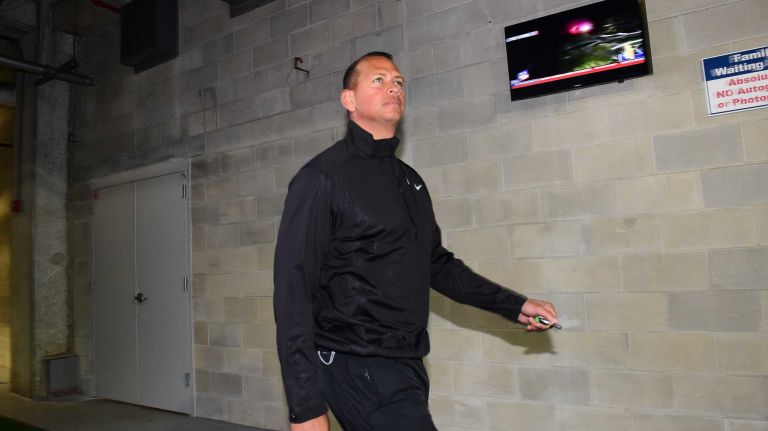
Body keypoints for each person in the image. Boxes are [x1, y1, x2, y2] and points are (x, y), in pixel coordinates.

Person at [274, 51, 559, 431]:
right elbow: (292, 292)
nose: (393, 86)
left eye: (398, 82)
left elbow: (437, 264)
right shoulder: (322, 178)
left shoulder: (411, 181)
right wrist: (305, 406)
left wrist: (514, 305)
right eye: (378, 79)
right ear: (349, 100)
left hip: (406, 361)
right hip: (355, 360)